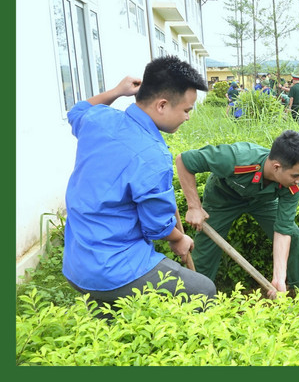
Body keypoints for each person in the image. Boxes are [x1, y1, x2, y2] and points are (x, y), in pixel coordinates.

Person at [62, 57, 215, 304]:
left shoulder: (98, 120)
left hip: (76, 263)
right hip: (114, 271)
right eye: (187, 110)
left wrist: (117, 91)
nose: (188, 117)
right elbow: (156, 226)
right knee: (203, 290)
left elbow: (77, 110)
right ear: (162, 105)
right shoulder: (152, 155)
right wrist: (179, 239)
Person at [176, 130, 299, 296]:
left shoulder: (292, 185)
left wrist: (278, 278)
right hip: (223, 199)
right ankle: (196, 297)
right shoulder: (236, 158)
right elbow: (184, 161)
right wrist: (194, 207)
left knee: (293, 235)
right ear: (277, 167)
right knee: (206, 248)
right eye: (296, 175)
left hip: (262, 202)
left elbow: (283, 229)